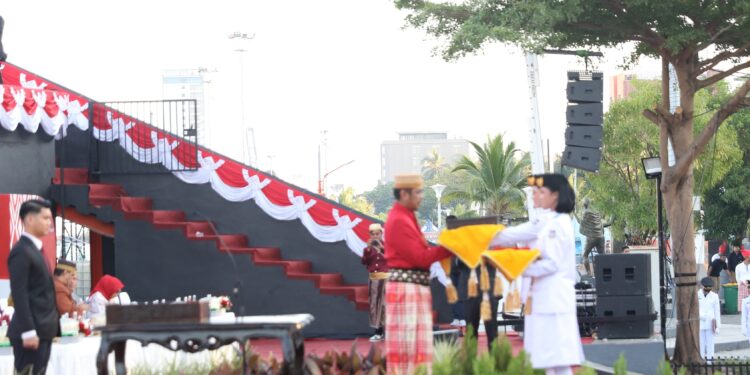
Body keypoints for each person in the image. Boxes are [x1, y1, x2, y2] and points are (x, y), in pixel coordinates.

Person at [493, 174, 583, 375]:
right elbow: (513, 234)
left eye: (540, 192)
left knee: (558, 360)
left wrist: (515, 264)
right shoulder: (546, 220)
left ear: (555, 196)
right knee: (548, 359)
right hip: (542, 299)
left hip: (553, 299)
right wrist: (478, 238)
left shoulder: (558, 224)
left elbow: (550, 264)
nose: (535, 196)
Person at [384, 174, 452, 375]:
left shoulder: (406, 217)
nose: (421, 196)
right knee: (407, 352)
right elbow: (420, 258)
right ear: (404, 194)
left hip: (412, 289)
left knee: (416, 351)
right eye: (418, 192)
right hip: (406, 290)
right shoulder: (398, 220)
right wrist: (450, 247)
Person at [7, 200, 58, 375]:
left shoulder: (37, 250)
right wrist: (29, 331)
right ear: (29, 219)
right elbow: (19, 294)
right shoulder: (21, 251)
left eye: (50, 218)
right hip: (30, 332)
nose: (49, 223)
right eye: (45, 218)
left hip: (43, 330)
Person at [361, 223, 388, 342]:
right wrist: (367, 249)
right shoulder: (368, 248)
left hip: (386, 278)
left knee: (385, 305)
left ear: (381, 234)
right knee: (374, 305)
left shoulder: (388, 246)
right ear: (370, 235)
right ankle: (378, 332)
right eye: (373, 234)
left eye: (378, 234)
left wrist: (381, 248)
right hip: (373, 279)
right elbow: (364, 262)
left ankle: (389, 331)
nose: (376, 236)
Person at [576, 199, 612, 275]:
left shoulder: (586, 212)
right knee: (602, 256)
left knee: (585, 255)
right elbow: (601, 224)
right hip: (600, 237)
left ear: (585, 204)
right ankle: (605, 272)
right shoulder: (597, 212)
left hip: (591, 238)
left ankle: (589, 273)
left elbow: (580, 222)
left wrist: (575, 214)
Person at [698, 277, 721, 360]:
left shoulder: (714, 296)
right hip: (700, 322)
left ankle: (709, 362)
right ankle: (701, 361)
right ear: (702, 286)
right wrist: (701, 315)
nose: (707, 291)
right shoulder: (697, 295)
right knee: (701, 344)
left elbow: (717, 311)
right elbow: (694, 309)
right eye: (705, 289)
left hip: (710, 323)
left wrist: (718, 326)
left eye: (709, 289)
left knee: (710, 343)